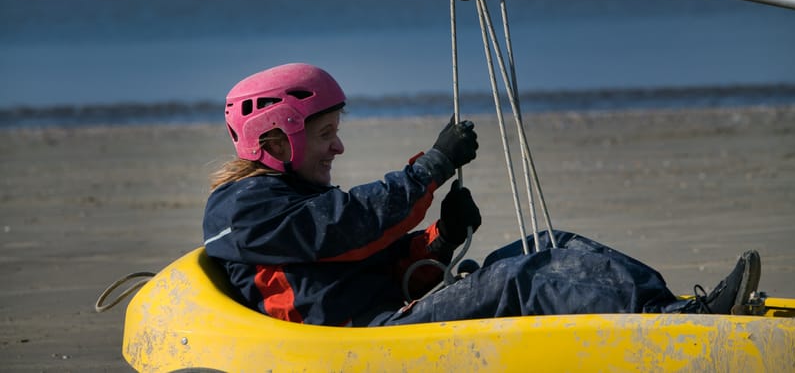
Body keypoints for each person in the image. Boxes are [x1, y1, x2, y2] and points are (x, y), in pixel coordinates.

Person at [202, 63, 761, 327]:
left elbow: (360, 260)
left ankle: (673, 311)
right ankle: (679, 325)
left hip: (388, 309)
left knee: (544, 242)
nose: (339, 148)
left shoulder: (288, 200)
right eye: (325, 135)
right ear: (274, 140)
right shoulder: (241, 212)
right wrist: (431, 168)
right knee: (515, 280)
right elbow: (345, 228)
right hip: (364, 340)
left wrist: (440, 241)